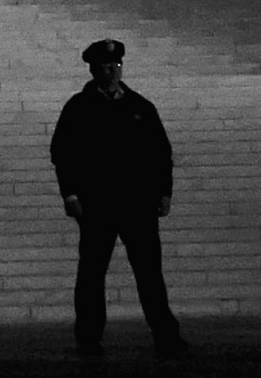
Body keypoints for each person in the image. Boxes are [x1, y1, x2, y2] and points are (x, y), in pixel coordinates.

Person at [50, 38, 190, 361]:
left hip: (137, 205)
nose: (111, 71)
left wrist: (164, 192)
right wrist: (70, 193)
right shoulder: (78, 107)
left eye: (115, 66)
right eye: (104, 66)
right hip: (97, 204)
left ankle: (167, 336)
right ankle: (88, 338)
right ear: (93, 69)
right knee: (91, 275)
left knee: (150, 274)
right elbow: (63, 153)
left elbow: (161, 154)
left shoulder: (140, 106)